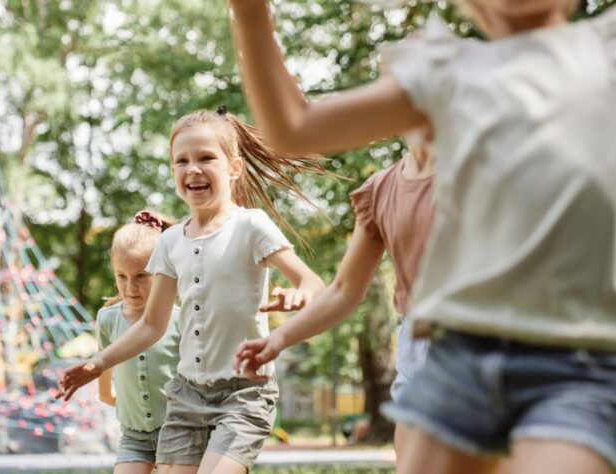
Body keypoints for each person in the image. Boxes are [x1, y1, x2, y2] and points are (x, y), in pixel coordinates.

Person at [228, 0, 616, 472]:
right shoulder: (450, 73)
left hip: (573, 361)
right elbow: (293, 129)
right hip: (458, 355)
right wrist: (250, 16)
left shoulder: (603, 47)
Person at [60, 107, 326, 474]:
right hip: (187, 395)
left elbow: (312, 281)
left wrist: (301, 294)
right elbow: (151, 325)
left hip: (244, 393)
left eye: (205, 158)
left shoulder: (251, 227)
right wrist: (98, 363)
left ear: (234, 168)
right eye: (181, 161)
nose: (193, 168)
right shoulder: (169, 242)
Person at [234, 125, 435, 461]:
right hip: (421, 346)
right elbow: (343, 290)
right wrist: (279, 339)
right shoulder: (382, 190)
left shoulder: (489, 164)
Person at [97, 211, 181, 474]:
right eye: (121, 276)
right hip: (134, 437)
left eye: (141, 276)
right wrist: (128, 406)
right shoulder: (107, 320)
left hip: (179, 433)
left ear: (162, 271)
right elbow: (104, 388)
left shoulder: (181, 319)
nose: (130, 286)